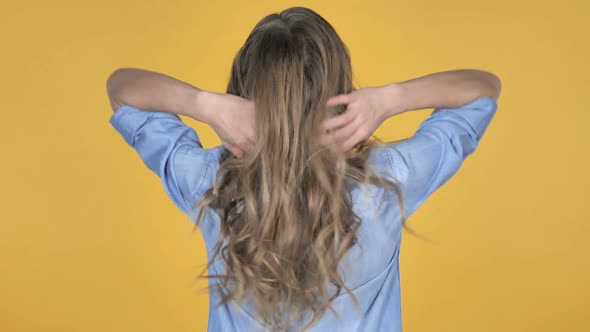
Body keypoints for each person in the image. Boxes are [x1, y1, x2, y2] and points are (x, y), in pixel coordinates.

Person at [106, 6, 501, 332]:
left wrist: (206, 105)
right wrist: (389, 99)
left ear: (243, 94)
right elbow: (482, 89)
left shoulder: (212, 183)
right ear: (340, 90)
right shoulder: (386, 182)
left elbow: (122, 89)